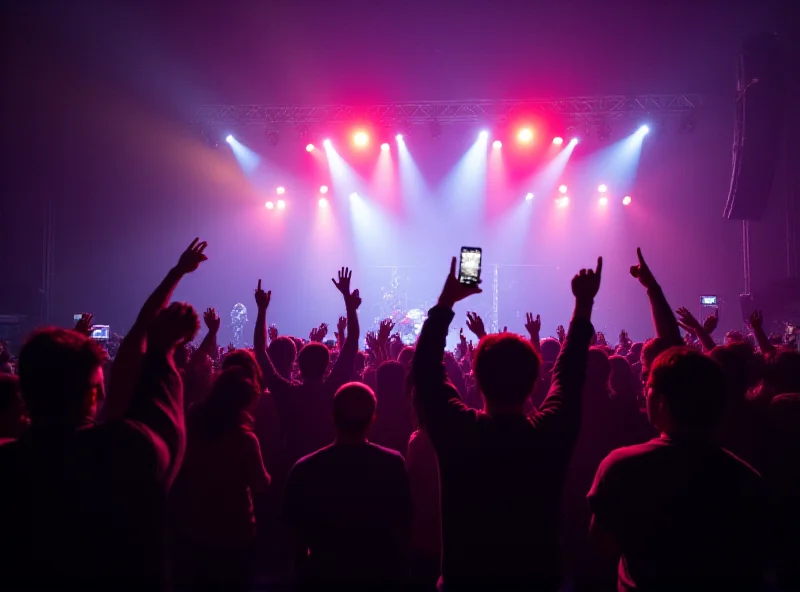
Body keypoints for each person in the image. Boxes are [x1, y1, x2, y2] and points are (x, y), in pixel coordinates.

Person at [0, 239, 206, 591]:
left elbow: (133, 346)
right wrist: (163, 346)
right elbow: (168, 427)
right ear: (94, 393)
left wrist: (160, 343)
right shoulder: (124, 451)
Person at [413, 255, 602, 591]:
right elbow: (570, 374)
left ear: (477, 381)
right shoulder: (549, 434)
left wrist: (446, 303)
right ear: (533, 384)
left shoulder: (458, 431)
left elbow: (425, 369)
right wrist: (583, 305)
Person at [587, 347, 769, 592]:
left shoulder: (621, 466)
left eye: (648, 384)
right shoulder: (748, 478)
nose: (644, 389)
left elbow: (602, 546)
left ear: (662, 400)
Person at [282, 382, 413, 591]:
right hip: (379, 573)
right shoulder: (392, 463)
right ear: (373, 418)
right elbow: (404, 522)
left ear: (332, 417)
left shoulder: (306, 468)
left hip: (324, 574)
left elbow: (292, 533)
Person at [169, 367, 271, 592]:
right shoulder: (245, 439)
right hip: (235, 530)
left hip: (194, 524)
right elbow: (260, 484)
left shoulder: (192, 423)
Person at [253, 269, 361, 465]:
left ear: (298, 366)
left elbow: (260, 350)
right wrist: (348, 302)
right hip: (330, 466)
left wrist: (262, 310)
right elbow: (353, 340)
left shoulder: (286, 392)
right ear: (327, 366)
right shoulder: (333, 389)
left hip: (293, 467)